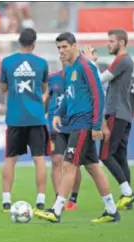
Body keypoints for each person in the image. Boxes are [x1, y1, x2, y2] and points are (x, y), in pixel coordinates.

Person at [35, 32, 120, 223]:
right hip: (74, 122)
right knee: (93, 167)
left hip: (83, 124)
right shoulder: (69, 69)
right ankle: (112, 210)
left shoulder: (85, 66)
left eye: (65, 47)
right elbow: (67, 96)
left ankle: (56, 210)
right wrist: (58, 113)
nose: (61, 51)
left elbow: (98, 94)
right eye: (59, 48)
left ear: (74, 46)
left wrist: (97, 124)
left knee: (68, 165)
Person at [82, 29, 134, 210]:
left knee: (105, 155)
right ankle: (126, 200)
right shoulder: (127, 62)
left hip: (117, 112)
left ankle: (128, 193)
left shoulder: (123, 60)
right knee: (120, 156)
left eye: (111, 41)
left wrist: (91, 63)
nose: (108, 44)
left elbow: (99, 80)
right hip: (125, 114)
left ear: (121, 43)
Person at [0, 28, 50, 213]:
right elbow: (45, 88)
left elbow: (3, 87)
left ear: (19, 42)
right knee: (39, 159)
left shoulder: (7, 62)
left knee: (10, 159)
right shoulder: (42, 63)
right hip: (36, 117)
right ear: (34, 43)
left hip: (15, 117)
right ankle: (41, 200)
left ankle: (6, 200)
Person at [46, 56, 81, 211]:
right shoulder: (52, 79)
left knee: (74, 163)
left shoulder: (78, 77)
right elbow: (47, 98)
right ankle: (58, 198)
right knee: (56, 160)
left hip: (74, 124)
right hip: (55, 126)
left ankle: (73, 198)